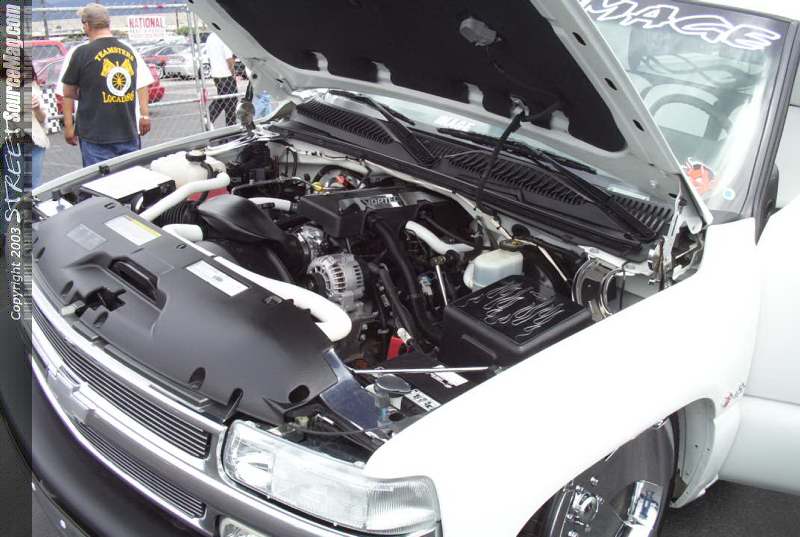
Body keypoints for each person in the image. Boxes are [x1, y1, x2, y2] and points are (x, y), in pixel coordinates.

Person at [59, 3, 154, 167]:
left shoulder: (81, 53)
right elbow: (141, 84)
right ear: (108, 23)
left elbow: (67, 93)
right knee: (131, 179)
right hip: (128, 130)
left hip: (95, 135)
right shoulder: (128, 51)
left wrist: (69, 125)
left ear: (87, 25)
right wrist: (144, 115)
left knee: (100, 180)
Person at [205, 32, 238, 127]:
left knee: (223, 98)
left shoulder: (210, 37)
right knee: (231, 101)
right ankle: (231, 125)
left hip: (216, 74)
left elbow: (209, 57)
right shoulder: (224, 36)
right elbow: (229, 59)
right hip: (226, 74)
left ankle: (209, 117)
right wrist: (233, 73)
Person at [30, 66, 50, 189]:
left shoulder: (32, 87)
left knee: (34, 188)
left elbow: (42, 119)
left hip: (34, 143)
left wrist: (37, 109)